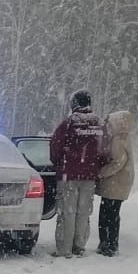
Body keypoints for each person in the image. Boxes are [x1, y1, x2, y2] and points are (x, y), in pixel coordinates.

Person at [48, 90, 103, 257]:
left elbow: (55, 149)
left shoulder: (68, 124)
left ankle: (64, 249)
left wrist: (61, 164)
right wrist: (94, 166)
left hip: (69, 176)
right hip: (89, 177)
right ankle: (79, 246)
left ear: (74, 104)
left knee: (67, 212)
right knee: (83, 213)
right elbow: (105, 150)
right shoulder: (99, 125)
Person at [95, 111, 134, 256]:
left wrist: (100, 173)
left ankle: (108, 245)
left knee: (107, 214)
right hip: (119, 183)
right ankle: (110, 244)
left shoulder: (118, 140)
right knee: (113, 214)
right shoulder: (125, 138)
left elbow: (117, 163)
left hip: (114, 184)